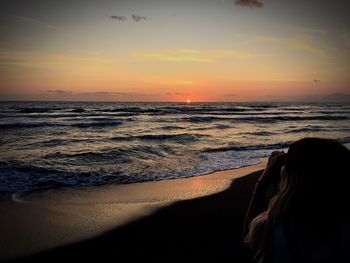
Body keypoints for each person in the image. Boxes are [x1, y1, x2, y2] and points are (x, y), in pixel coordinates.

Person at [243, 138, 350, 263]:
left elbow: (248, 239)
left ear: (291, 180)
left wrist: (261, 184)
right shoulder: (343, 229)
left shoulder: (272, 232)